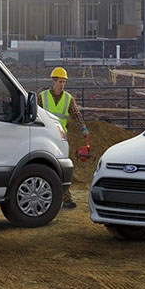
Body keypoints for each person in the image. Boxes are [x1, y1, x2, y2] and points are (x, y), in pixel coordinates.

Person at [39, 67, 88, 209]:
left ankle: (66, 198)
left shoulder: (68, 98)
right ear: (53, 81)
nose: (62, 84)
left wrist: (83, 128)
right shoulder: (42, 97)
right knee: (45, 168)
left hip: (60, 138)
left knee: (62, 168)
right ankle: (46, 196)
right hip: (44, 137)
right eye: (60, 81)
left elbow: (76, 114)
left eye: (64, 82)